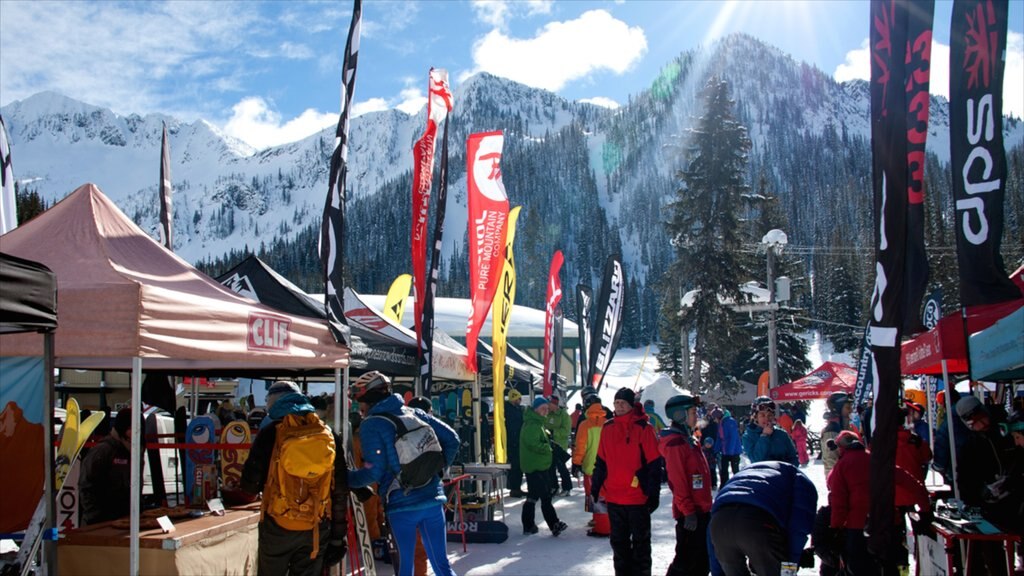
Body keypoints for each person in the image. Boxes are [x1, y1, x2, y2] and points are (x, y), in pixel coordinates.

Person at [347, 372, 460, 576]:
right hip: (433, 498)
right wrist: (437, 471)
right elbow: (452, 439)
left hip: (401, 505)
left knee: (405, 568)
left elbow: (375, 471)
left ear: (367, 398)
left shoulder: (371, 425)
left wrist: (347, 478)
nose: (359, 407)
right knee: (442, 566)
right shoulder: (415, 412)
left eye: (359, 401)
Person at [240, 381, 349, 574]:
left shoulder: (270, 433)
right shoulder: (328, 435)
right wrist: (338, 537)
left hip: (277, 526)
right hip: (316, 526)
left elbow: (249, 485)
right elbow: (339, 490)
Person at [592, 387, 663, 576]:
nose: (619, 406)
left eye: (623, 403)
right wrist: (595, 487)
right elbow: (601, 462)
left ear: (632, 405)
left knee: (641, 545)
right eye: (616, 403)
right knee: (619, 545)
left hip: (637, 499)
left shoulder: (643, 428)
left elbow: (655, 464)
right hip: (614, 497)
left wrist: (653, 494)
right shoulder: (607, 428)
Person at [709, 461, 817, 576]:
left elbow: (711, 535)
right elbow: (798, 529)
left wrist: (718, 572)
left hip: (720, 523)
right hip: (757, 523)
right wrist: (789, 567)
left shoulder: (741, 476)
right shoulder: (799, 480)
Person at [955, 394, 1016, 576]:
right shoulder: (969, 444)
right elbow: (964, 479)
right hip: (989, 509)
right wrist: (981, 494)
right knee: (993, 553)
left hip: (1016, 501)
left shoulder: (1007, 429)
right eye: (974, 424)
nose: (980, 425)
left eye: (981, 420)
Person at [660, 393, 712, 576]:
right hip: (690, 513)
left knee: (701, 561)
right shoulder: (676, 444)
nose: (696, 416)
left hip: (702, 509)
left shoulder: (688, 440)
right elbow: (678, 482)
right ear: (679, 415)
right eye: (692, 412)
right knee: (686, 562)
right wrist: (688, 512)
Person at [520, 396, 569, 537]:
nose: (546, 411)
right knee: (545, 496)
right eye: (543, 409)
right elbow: (533, 443)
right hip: (536, 466)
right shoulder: (533, 424)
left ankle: (529, 525)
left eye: (547, 409)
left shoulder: (536, 423)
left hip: (536, 465)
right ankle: (554, 524)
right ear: (535, 409)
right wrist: (549, 448)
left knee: (533, 496)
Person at [80, 409, 133, 526]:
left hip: (123, 519)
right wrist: (94, 515)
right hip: (99, 521)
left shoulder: (132, 450)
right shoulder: (103, 450)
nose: (136, 432)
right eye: (131, 428)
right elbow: (85, 484)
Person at [573, 393, 610, 537]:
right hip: (607, 465)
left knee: (596, 495)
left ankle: (603, 528)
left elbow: (580, 447)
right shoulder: (608, 422)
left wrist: (576, 463)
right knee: (603, 494)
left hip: (591, 466)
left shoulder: (585, 425)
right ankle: (598, 520)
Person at [742, 396, 799, 466]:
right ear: (755, 417)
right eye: (762, 415)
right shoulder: (748, 436)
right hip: (761, 475)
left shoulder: (782, 434)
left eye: (769, 415)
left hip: (782, 474)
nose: (766, 419)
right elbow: (756, 460)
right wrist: (764, 436)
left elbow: (793, 459)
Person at [544, 394, 574, 496]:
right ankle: (554, 486)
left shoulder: (564, 415)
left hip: (560, 445)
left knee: (561, 467)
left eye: (549, 403)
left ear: (554, 404)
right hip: (549, 445)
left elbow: (566, 431)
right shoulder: (547, 414)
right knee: (550, 467)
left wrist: (554, 432)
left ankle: (567, 487)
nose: (547, 405)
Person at [820, 392, 853, 475]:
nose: (851, 410)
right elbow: (831, 461)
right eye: (848, 408)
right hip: (839, 480)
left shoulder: (845, 427)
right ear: (838, 408)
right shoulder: (832, 431)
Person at [505, 389, 526, 497]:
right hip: (513, 442)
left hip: (516, 441)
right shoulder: (510, 411)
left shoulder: (515, 409)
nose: (520, 400)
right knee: (515, 466)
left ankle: (516, 487)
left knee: (518, 466)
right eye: (519, 398)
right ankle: (514, 488)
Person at [717, 409, 742, 485]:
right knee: (723, 470)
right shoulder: (721, 423)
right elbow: (719, 437)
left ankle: (738, 484)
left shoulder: (730, 421)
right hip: (725, 450)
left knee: (735, 470)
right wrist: (716, 449)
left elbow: (733, 437)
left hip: (734, 451)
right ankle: (724, 485)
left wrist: (730, 451)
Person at [700, 407, 720, 490]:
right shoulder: (704, 421)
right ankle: (706, 483)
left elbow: (717, 433)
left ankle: (713, 483)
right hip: (705, 444)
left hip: (713, 444)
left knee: (712, 468)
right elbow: (701, 432)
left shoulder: (715, 422)